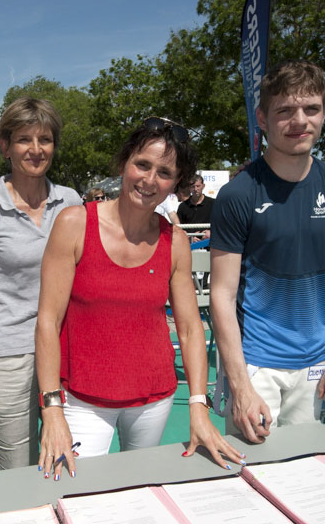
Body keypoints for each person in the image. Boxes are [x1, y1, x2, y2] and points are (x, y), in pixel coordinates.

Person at [34, 119, 244, 478]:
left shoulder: (175, 242)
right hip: (82, 400)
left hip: (154, 399)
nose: (149, 180)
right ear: (123, 163)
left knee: (138, 490)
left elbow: (191, 328)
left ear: (175, 183)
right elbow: (48, 321)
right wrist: (51, 409)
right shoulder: (74, 224)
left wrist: (197, 405)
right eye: (142, 164)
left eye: (164, 172)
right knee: (75, 491)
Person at [210, 60, 325, 442]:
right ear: (262, 118)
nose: (300, 120)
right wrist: (241, 384)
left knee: (306, 473)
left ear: (324, 113)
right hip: (256, 364)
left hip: (317, 363)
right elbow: (222, 295)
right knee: (250, 476)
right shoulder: (237, 194)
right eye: (285, 111)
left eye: (311, 109)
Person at [0, 97, 83, 469]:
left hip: (67, 351)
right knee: (18, 470)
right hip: (9, 358)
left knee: (66, 461)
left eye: (44, 139)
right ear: (5, 146)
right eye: (24, 139)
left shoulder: (71, 202)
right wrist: (14, 321)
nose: (36, 149)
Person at [176, 173, 213, 240]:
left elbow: (221, 223)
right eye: (193, 186)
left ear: (203, 186)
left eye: (198, 186)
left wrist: (211, 232)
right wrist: (189, 237)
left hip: (208, 244)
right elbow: (178, 227)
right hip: (190, 245)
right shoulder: (183, 206)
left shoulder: (213, 203)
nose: (195, 189)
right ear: (189, 188)